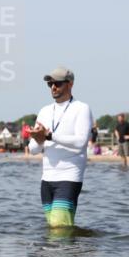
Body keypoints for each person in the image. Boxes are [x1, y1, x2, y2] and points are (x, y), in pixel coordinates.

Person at [28, 66, 93, 227]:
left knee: (60, 228)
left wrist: (50, 136)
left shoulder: (81, 108)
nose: (53, 87)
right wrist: (39, 139)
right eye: (50, 84)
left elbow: (80, 142)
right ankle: (69, 252)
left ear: (70, 84)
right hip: (47, 179)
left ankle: (68, 251)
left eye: (57, 83)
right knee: (54, 228)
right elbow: (33, 150)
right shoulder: (44, 111)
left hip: (69, 176)